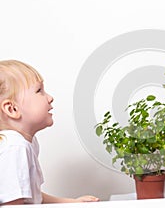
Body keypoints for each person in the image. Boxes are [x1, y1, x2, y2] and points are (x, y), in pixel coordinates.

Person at [0, 60, 100, 205]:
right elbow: (13, 205)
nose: (50, 97)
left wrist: (71, 202)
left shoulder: (27, 144)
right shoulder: (15, 147)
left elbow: (32, 196)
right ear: (12, 109)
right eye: (39, 91)